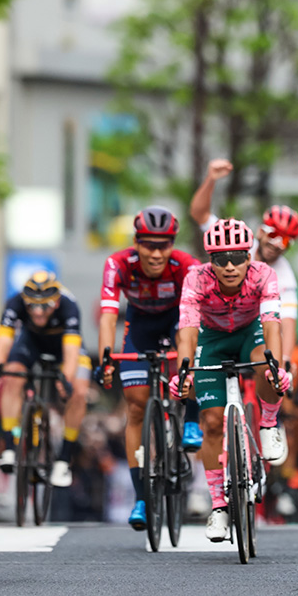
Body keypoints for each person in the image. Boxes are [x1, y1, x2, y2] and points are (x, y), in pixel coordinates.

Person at [171, 218, 291, 541]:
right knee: (211, 422)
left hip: (251, 333)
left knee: (266, 366)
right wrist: (184, 372)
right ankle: (219, 506)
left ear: (249, 257)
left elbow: (272, 325)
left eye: (237, 257)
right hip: (211, 339)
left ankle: (269, 423)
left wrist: (277, 366)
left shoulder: (264, 274)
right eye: (220, 258)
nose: (229, 266)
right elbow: (187, 331)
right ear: (210, 260)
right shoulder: (196, 278)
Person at [97, 205, 200, 531]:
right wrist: (105, 359)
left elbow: (192, 320)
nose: (156, 254)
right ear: (136, 243)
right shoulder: (117, 264)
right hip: (140, 327)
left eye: (163, 245)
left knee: (189, 358)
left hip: (177, 320)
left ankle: (191, 418)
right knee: (136, 406)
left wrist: (187, 364)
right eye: (149, 245)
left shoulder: (187, 266)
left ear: (172, 245)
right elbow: (108, 316)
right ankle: (141, 497)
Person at [190, 160, 298, 383]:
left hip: (254, 333)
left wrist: (285, 361)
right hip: (218, 325)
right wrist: (211, 179)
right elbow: (199, 213)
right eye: (273, 235)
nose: (277, 244)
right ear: (260, 231)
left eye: (285, 240)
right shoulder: (236, 240)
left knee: (277, 372)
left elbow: (288, 322)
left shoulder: (285, 274)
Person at [0, 271, 91, 488]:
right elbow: (4, 341)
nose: (37, 311)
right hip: (31, 343)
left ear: (56, 302)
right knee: (11, 375)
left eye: (45, 306)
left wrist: (66, 379)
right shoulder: (15, 302)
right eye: (31, 306)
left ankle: (64, 460)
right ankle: (9, 447)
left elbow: (71, 352)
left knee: (79, 392)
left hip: (64, 347)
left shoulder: (69, 305)